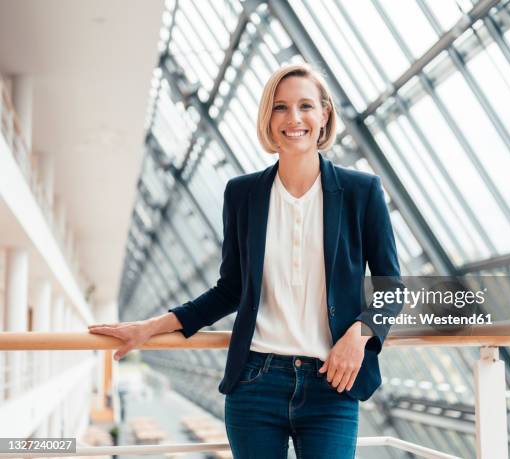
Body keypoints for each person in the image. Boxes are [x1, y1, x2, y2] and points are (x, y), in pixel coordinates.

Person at [88, 63, 402, 459]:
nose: (293, 119)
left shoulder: (361, 191)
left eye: (305, 106)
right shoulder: (242, 194)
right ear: (268, 120)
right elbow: (230, 289)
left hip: (332, 384)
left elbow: (392, 285)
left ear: (324, 115)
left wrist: (359, 336)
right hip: (255, 384)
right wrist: (153, 326)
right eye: (280, 107)